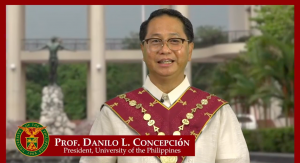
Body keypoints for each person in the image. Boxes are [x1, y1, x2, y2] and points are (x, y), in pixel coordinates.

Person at [79, 8, 250, 163]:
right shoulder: (114, 114)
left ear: (190, 50)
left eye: (175, 41)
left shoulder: (218, 114)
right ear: (143, 50)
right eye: (155, 41)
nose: (165, 49)